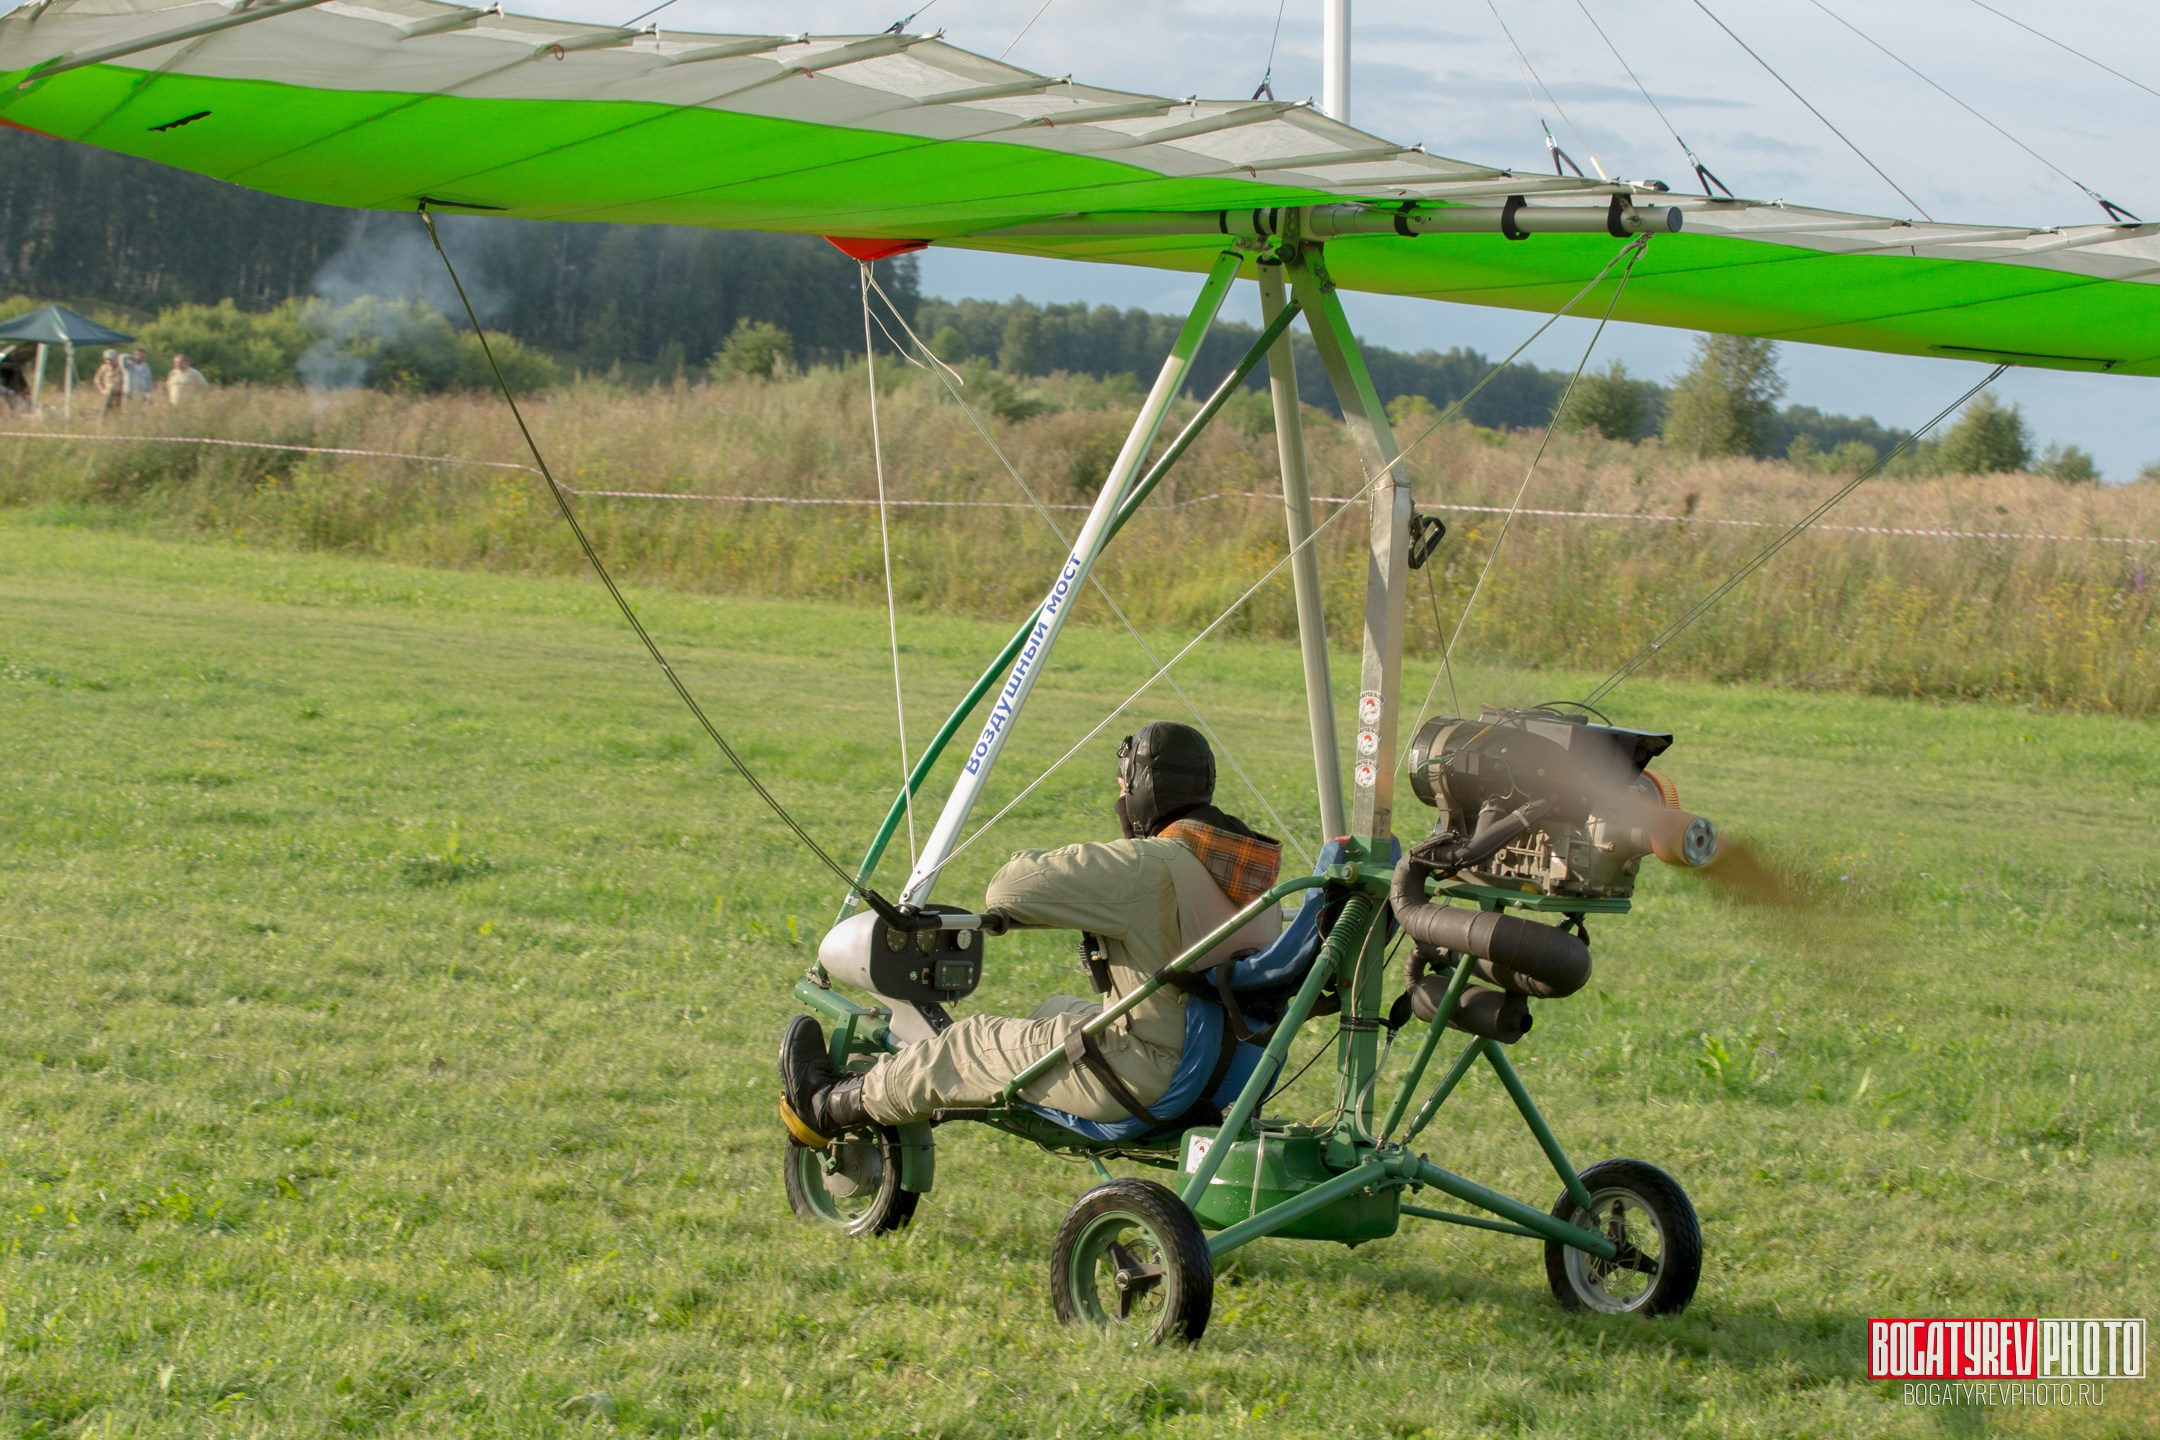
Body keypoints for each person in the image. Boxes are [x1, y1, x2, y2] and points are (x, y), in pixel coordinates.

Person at [780, 722, 1283, 1143]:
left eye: (1123, 789)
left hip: (1150, 1077)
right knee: (1056, 1012)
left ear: (1141, 790)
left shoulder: (1148, 866)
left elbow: (1009, 888)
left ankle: (828, 1106)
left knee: (966, 1043)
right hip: (1227, 1075)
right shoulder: (1255, 881)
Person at [94, 349, 126, 416]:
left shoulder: (122, 367)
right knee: (104, 412)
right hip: (108, 394)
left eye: (110, 359)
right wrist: (101, 389)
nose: (108, 361)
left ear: (116, 358)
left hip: (120, 395)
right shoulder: (104, 367)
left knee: (119, 413)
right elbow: (97, 379)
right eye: (106, 359)